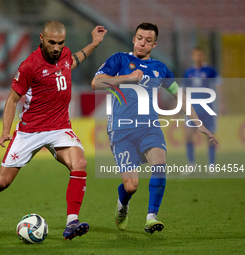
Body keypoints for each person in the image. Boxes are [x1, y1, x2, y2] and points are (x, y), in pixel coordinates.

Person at [0, 21, 107, 240]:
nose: (56, 48)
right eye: (52, 42)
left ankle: (71, 222)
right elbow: (12, 98)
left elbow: (72, 61)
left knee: (80, 163)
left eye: (60, 43)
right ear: (41, 38)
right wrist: (5, 131)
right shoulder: (29, 65)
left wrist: (94, 43)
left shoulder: (63, 54)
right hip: (30, 131)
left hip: (60, 127)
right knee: (3, 182)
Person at [91, 23, 218, 234]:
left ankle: (151, 217)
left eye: (148, 40)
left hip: (149, 127)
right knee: (131, 186)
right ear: (133, 39)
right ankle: (123, 203)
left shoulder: (161, 68)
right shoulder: (119, 60)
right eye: (140, 38)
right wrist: (127, 79)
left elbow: (180, 95)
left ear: (154, 44)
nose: (143, 43)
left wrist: (199, 123)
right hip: (121, 130)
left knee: (160, 162)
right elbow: (97, 83)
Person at [183, 47, 225, 169]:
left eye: (200, 55)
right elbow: (183, 90)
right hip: (193, 109)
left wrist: (222, 103)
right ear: (192, 57)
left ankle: (211, 165)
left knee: (210, 136)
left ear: (203, 56)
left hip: (208, 108)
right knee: (188, 135)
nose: (198, 57)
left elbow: (219, 87)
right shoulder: (188, 72)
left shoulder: (211, 71)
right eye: (195, 55)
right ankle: (191, 164)